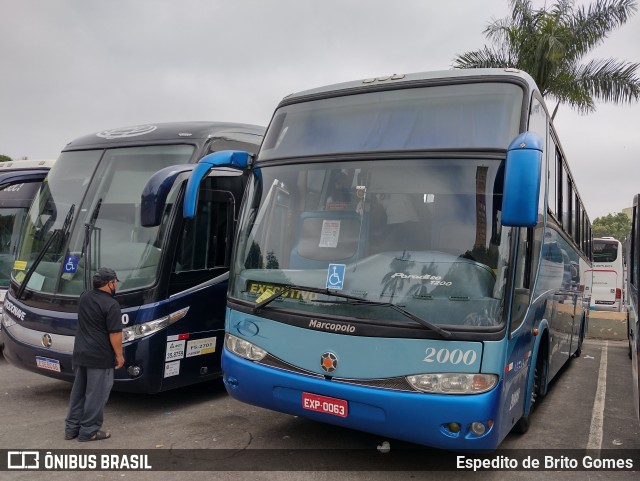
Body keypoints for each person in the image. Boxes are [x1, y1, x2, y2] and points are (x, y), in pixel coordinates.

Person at [64, 267, 124, 442]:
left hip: (81, 354)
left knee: (79, 393)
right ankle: (89, 431)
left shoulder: (84, 297)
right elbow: (115, 334)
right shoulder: (111, 305)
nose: (116, 285)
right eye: (115, 282)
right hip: (100, 357)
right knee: (96, 396)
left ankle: (71, 429)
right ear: (110, 283)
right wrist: (119, 355)